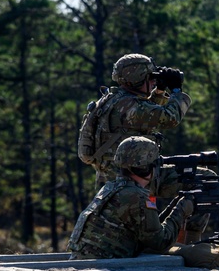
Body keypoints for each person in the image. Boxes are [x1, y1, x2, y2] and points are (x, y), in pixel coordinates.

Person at [78, 53, 191, 194]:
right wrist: (176, 90)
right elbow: (170, 118)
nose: (153, 81)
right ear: (138, 79)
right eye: (150, 78)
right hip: (131, 182)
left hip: (111, 179)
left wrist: (159, 91)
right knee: (202, 179)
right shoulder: (131, 106)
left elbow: (145, 116)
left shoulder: (114, 99)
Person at [69, 136, 195, 260]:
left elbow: (149, 230)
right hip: (103, 264)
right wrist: (181, 211)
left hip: (83, 259)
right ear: (147, 168)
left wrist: (174, 207)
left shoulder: (111, 187)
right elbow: (160, 243)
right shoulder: (137, 196)